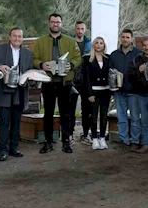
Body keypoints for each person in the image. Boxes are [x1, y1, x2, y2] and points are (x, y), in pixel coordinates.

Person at [32, 13, 83, 154]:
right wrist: (42, 64)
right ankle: (48, 142)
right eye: (53, 22)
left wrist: (71, 65)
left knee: (65, 113)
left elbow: (78, 58)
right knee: (47, 113)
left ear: (62, 24)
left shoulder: (70, 41)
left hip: (65, 82)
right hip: (48, 82)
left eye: (58, 22)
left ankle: (66, 141)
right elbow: (34, 59)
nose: (55, 24)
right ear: (49, 24)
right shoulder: (40, 41)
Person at [0, 27, 34, 161]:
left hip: (20, 91)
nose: (17, 38)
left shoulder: (28, 54)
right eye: (15, 36)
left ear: (22, 39)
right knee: (4, 122)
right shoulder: (0, 49)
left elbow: (30, 71)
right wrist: (0, 66)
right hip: (3, 90)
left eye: (19, 36)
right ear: (10, 37)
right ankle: (2, 150)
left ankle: (14, 148)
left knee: (16, 122)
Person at [109, 29, 142, 147]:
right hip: (119, 91)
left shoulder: (139, 53)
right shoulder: (114, 55)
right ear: (120, 39)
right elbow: (110, 72)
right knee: (121, 118)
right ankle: (124, 140)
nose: (125, 39)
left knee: (135, 118)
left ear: (132, 39)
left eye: (127, 37)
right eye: (123, 37)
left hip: (134, 91)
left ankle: (135, 140)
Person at [84, 37, 112, 150]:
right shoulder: (87, 59)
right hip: (94, 91)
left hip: (105, 91)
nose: (99, 45)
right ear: (93, 45)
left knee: (104, 116)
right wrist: (89, 94)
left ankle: (102, 138)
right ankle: (94, 138)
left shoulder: (108, 58)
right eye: (97, 43)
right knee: (93, 116)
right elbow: (86, 78)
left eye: (101, 43)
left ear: (104, 45)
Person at [70, 21, 93, 144]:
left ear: (85, 30)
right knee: (70, 108)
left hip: (85, 80)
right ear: (75, 29)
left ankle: (85, 133)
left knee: (87, 108)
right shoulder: (69, 42)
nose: (80, 31)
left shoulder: (90, 43)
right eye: (78, 28)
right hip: (72, 79)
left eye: (82, 28)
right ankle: (69, 135)